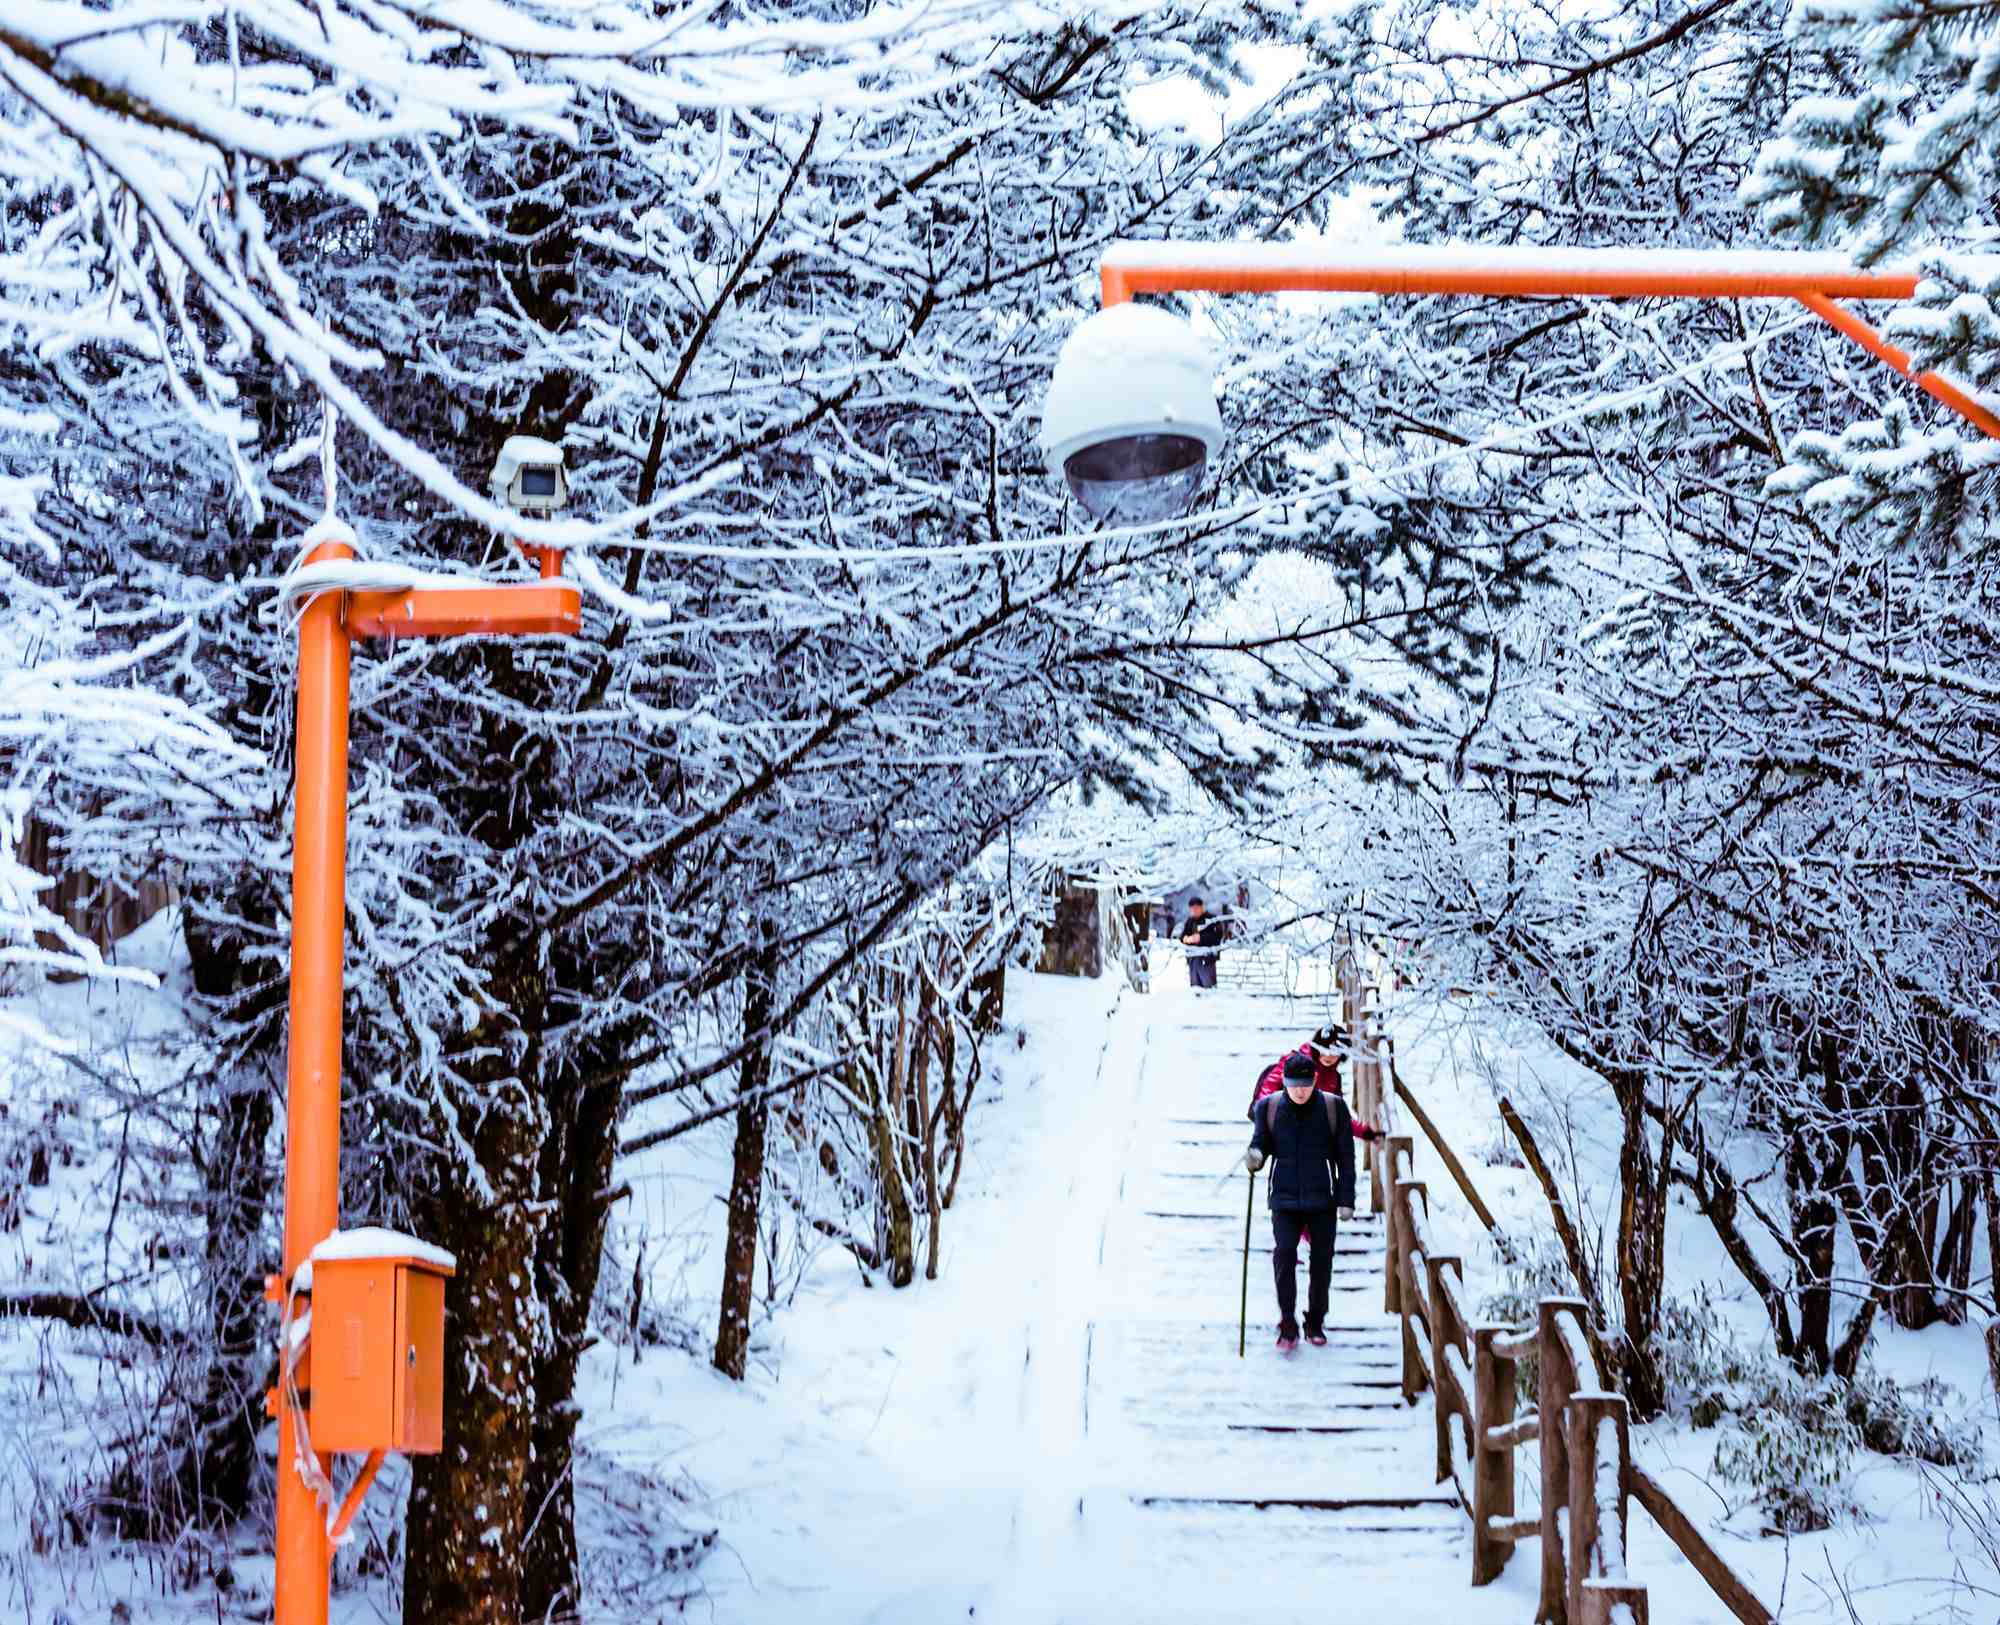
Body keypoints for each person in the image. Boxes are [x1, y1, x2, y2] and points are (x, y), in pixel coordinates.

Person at [1246, 1054, 1355, 1351]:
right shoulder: (1268, 1108)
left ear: (1315, 1081)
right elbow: (1261, 1143)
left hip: (1322, 1198)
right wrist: (1255, 1156)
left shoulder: (1333, 1108)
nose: (1300, 1091)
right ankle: (1287, 1323)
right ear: (1285, 1083)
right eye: (1294, 1085)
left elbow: (1346, 1157)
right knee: (1284, 1255)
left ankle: (1315, 1320)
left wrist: (1346, 1199)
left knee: (1322, 1261)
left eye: (1305, 1085)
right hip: (1283, 1198)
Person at [1247, 1024, 1385, 1147]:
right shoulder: (1295, 1061)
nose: (1328, 1056)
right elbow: (1270, 1084)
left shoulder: (1333, 1079)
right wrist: (1264, 1113)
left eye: (1335, 1052)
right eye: (1324, 1050)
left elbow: (1338, 1114)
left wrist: (1366, 1133)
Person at [1177, 896, 1228, 990]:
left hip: (1207, 959)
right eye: (1192, 909)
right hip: (1193, 959)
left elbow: (1217, 936)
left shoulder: (1212, 919)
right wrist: (1185, 939)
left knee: (1208, 987)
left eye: (1196, 908)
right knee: (1195, 988)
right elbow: (1182, 935)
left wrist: (1201, 938)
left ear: (1202, 907)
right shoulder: (1190, 921)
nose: (1194, 911)